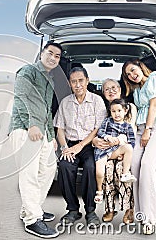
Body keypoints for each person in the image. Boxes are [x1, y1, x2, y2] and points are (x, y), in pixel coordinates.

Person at [9, 42, 62, 238]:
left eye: (57, 56)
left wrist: (51, 135)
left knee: (48, 169)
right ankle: (32, 220)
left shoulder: (50, 79)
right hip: (25, 129)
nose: (53, 58)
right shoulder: (28, 71)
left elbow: (47, 111)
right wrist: (31, 124)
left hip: (43, 132)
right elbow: (20, 97)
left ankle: (31, 209)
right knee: (29, 174)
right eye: (50, 53)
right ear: (42, 53)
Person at [122, 59, 156, 235]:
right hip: (142, 128)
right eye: (128, 74)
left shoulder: (153, 79)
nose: (132, 75)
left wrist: (148, 131)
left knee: (147, 165)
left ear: (140, 66)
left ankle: (150, 218)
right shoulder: (136, 90)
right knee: (134, 167)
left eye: (133, 70)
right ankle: (140, 215)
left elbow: (154, 105)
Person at [53, 67, 107, 227]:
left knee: (91, 168)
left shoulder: (97, 101)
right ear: (69, 84)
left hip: (90, 144)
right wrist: (64, 148)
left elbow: (98, 128)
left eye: (81, 81)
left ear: (87, 81)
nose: (78, 85)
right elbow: (59, 128)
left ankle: (90, 211)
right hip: (70, 144)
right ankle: (73, 210)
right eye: (74, 82)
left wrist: (81, 146)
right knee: (64, 166)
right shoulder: (65, 102)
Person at [92, 79, 136, 224]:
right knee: (108, 169)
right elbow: (97, 131)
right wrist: (96, 140)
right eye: (106, 89)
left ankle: (129, 208)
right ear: (103, 93)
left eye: (114, 87)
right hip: (106, 151)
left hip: (122, 150)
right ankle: (109, 208)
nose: (111, 91)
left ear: (120, 88)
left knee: (122, 170)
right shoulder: (100, 108)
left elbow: (131, 134)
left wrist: (121, 142)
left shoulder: (129, 107)